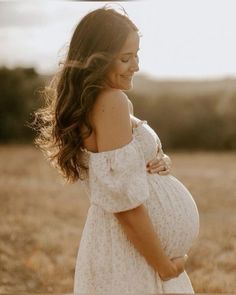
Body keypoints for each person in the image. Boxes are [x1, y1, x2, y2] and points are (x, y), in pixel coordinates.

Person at [33, 4, 200, 293]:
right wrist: (164, 266)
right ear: (97, 60)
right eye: (125, 58)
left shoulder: (103, 102)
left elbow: (121, 174)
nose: (136, 65)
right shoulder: (111, 101)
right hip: (133, 254)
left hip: (131, 249)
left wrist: (159, 163)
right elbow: (124, 205)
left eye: (136, 55)